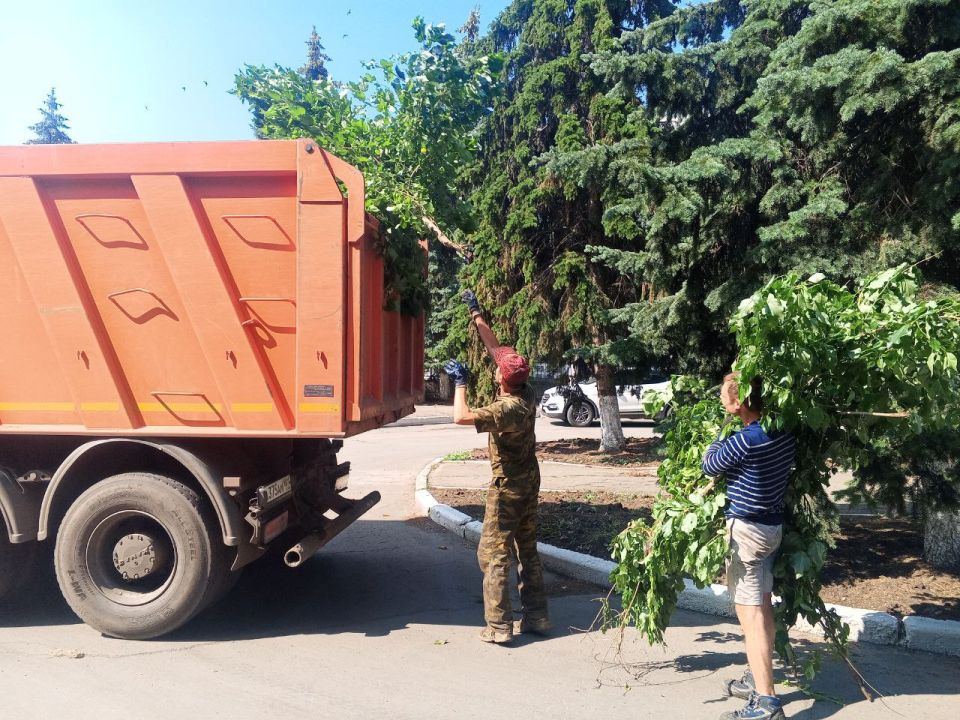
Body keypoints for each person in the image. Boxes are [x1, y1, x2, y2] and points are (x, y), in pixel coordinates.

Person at [443, 289, 550, 645]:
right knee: (528, 549)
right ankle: (538, 617)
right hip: (530, 481)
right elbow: (496, 348)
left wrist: (459, 383)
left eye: (497, 371)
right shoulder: (527, 391)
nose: (494, 369)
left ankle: (499, 627)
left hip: (508, 489)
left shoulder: (508, 410)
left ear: (503, 380)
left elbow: (461, 416)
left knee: (494, 554)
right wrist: (476, 314)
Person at [702, 373, 796, 720]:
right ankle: (756, 676)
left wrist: (719, 434)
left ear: (738, 404)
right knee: (762, 605)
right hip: (772, 529)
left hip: (747, 533)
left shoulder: (746, 440)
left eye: (727, 399)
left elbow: (709, 464)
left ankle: (767, 702)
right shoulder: (783, 432)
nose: (723, 403)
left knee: (751, 614)